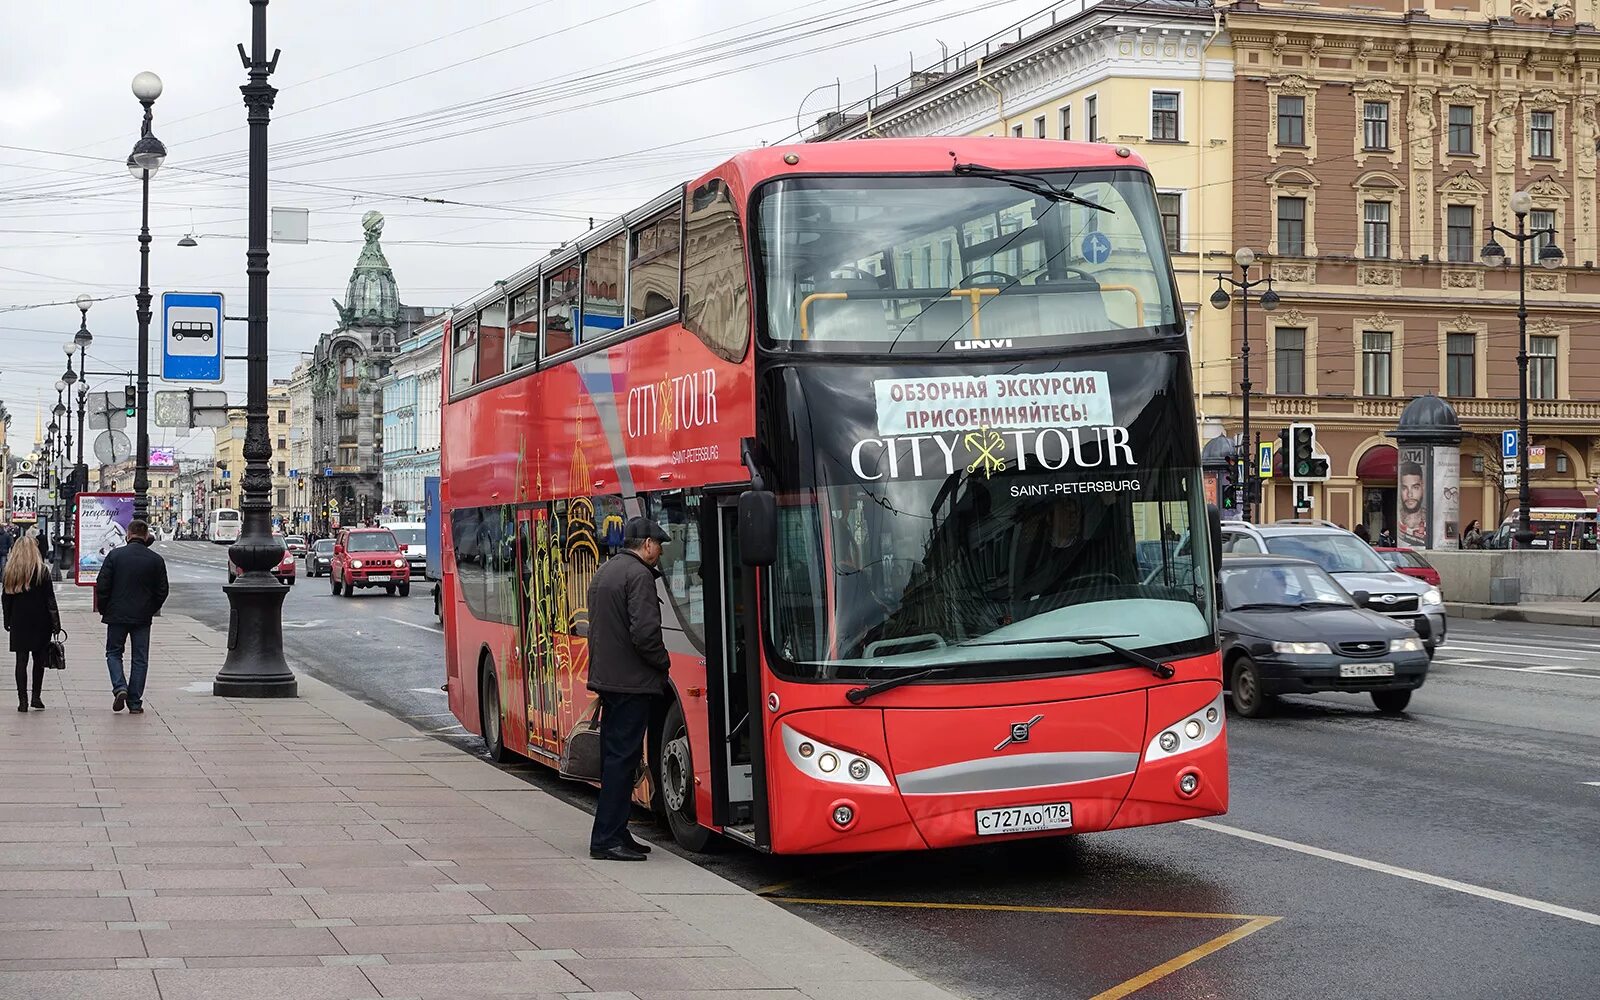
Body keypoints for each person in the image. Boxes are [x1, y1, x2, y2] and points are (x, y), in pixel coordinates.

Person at [585, 515, 672, 862]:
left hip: (610, 679)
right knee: (623, 760)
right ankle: (606, 838)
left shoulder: (606, 571)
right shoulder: (638, 577)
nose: (660, 553)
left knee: (616, 759)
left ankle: (618, 831)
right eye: (659, 546)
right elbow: (645, 634)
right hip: (632, 683)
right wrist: (663, 662)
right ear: (647, 545)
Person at [93, 520, 168, 715]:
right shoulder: (155, 559)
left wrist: (104, 609)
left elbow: (102, 585)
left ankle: (120, 687)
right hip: (142, 617)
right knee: (140, 658)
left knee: (113, 653)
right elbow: (162, 591)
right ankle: (134, 702)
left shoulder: (115, 556)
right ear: (146, 536)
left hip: (116, 614)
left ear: (128, 534)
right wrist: (151, 608)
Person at [1, 535, 58, 712]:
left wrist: (8, 620)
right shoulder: (42, 571)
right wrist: (56, 622)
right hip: (41, 620)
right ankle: (36, 697)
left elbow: (6, 599)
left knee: (21, 661)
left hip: (19, 621)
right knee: (38, 660)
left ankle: (22, 700)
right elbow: (50, 599)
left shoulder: (10, 571)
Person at [1398, 462, 1426, 546]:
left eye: (1415, 488)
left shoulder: (1431, 520)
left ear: (1422, 487)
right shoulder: (1398, 520)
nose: (1410, 494)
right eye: (1404, 488)